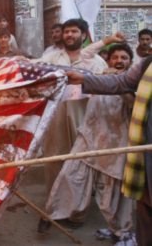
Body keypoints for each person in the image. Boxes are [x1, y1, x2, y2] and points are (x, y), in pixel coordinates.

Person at [40, 34, 137, 245]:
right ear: (108, 60)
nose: (118, 61)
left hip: (115, 145)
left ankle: (121, 232)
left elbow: (130, 101)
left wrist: (116, 82)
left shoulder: (133, 82)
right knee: (70, 177)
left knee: (111, 192)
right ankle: (53, 214)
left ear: (131, 62)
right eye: (114, 57)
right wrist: (109, 39)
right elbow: (85, 53)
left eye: (124, 58)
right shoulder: (98, 73)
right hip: (88, 137)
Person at [65, 55, 152, 246]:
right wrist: (84, 79)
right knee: (146, 209)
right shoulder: (147, 64)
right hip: (144, 150)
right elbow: (123, 82)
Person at [34, 19, 108, 202]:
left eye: (74, 31)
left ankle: (77, 211)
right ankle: (53, 204)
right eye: (66, 31)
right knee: (53, 159)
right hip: (56, 118)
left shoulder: (96, 62)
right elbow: (36, 66)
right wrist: (20, 62)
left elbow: (106, 89)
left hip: (85, 118)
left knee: (81, 162)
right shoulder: (52, 58)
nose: (69, 35)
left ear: (83, 35)